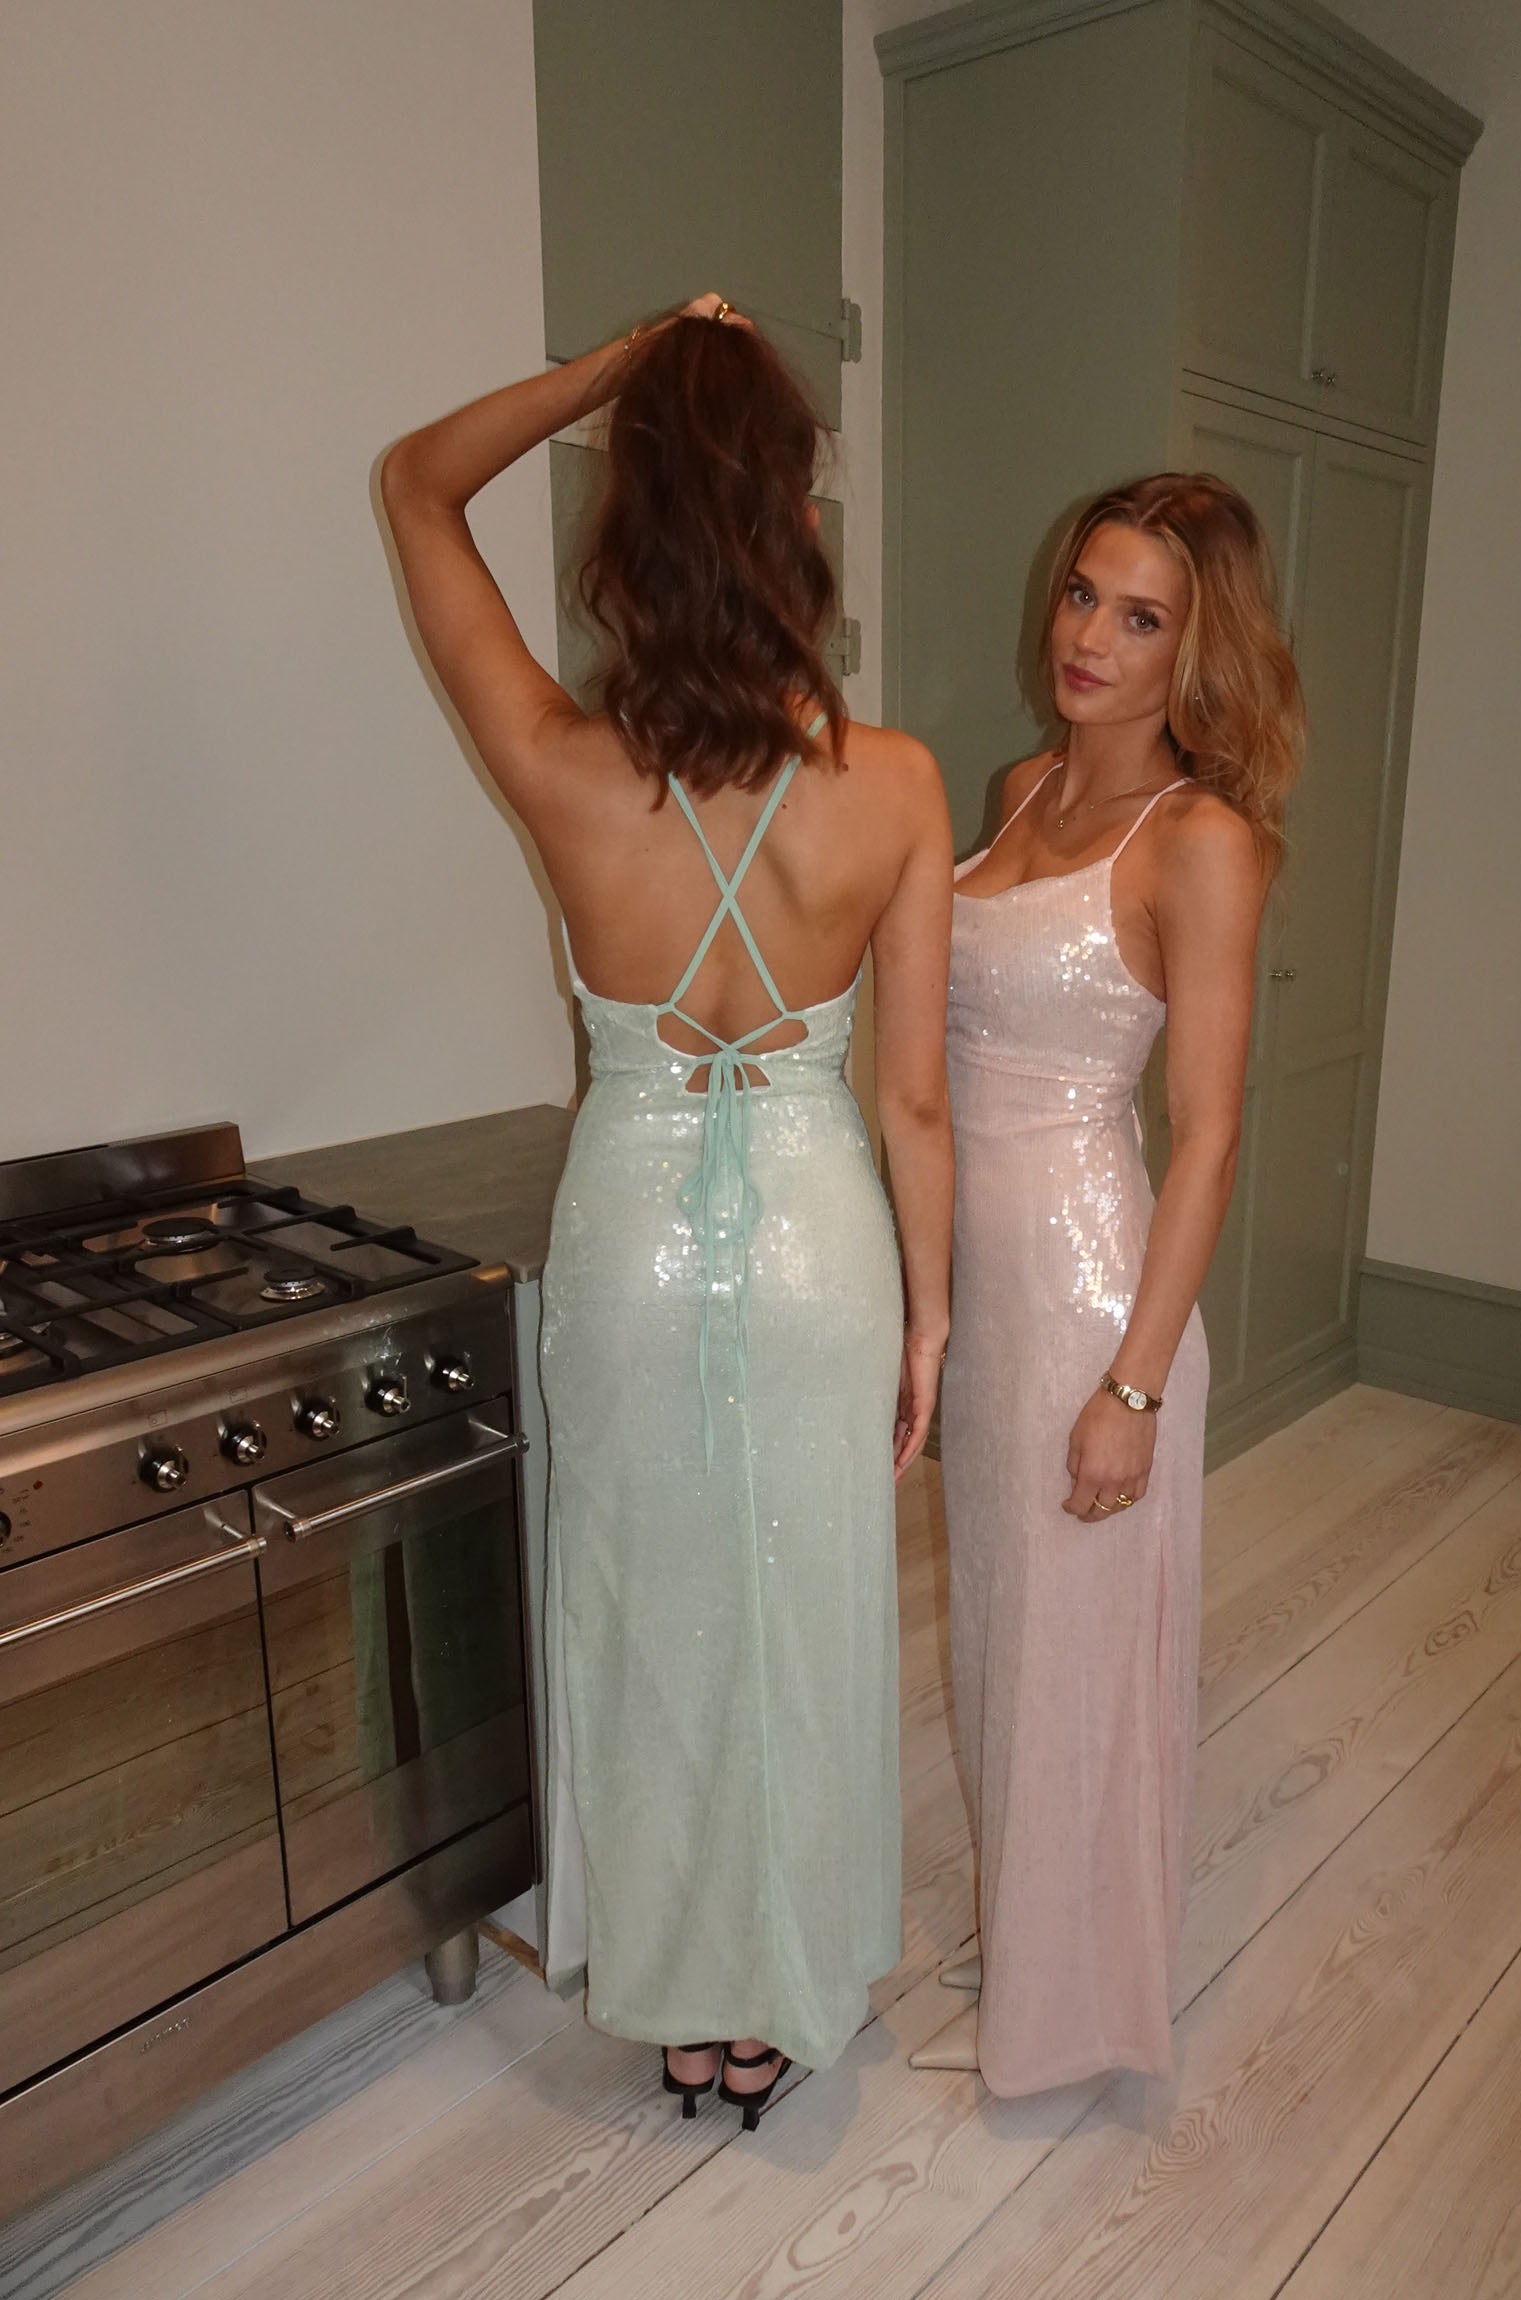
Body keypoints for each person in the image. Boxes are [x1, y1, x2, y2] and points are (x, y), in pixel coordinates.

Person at [381, 295, 953, 2125]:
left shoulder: (560, 763)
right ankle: (779, 1989)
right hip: (816, 1239)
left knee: (645, 1617)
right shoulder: (896, 785)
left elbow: (414, 484)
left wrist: (617, 365)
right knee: (800, 1616)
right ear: (798, 520)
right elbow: (912, 1102)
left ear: (626, 531)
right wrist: (931, 1319)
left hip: (628, 1236)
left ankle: (680, 1998)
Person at [919, 474, 1300, 2095]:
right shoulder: (1017, 790)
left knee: (1078, 1659)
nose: (1088, 636)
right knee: (1001, 1639)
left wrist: (1133, 1385)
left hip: (1091, 1293)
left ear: (1194, 652)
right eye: (1083, 593)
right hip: (987, 1301)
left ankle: (1070, 2016)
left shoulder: (1200, 842)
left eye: (1140, 617)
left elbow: (1206, 1136)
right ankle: (1031, 1932)